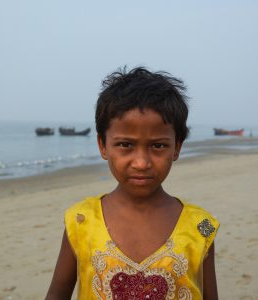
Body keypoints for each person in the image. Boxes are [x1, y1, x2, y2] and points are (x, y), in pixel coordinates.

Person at [45, 67, 219, 300]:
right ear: (102, 145)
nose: (141, 162)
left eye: (158, 146)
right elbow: (57, 294)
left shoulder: (202, 226)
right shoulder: (80, 221)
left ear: (177, 147)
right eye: (125, 145)